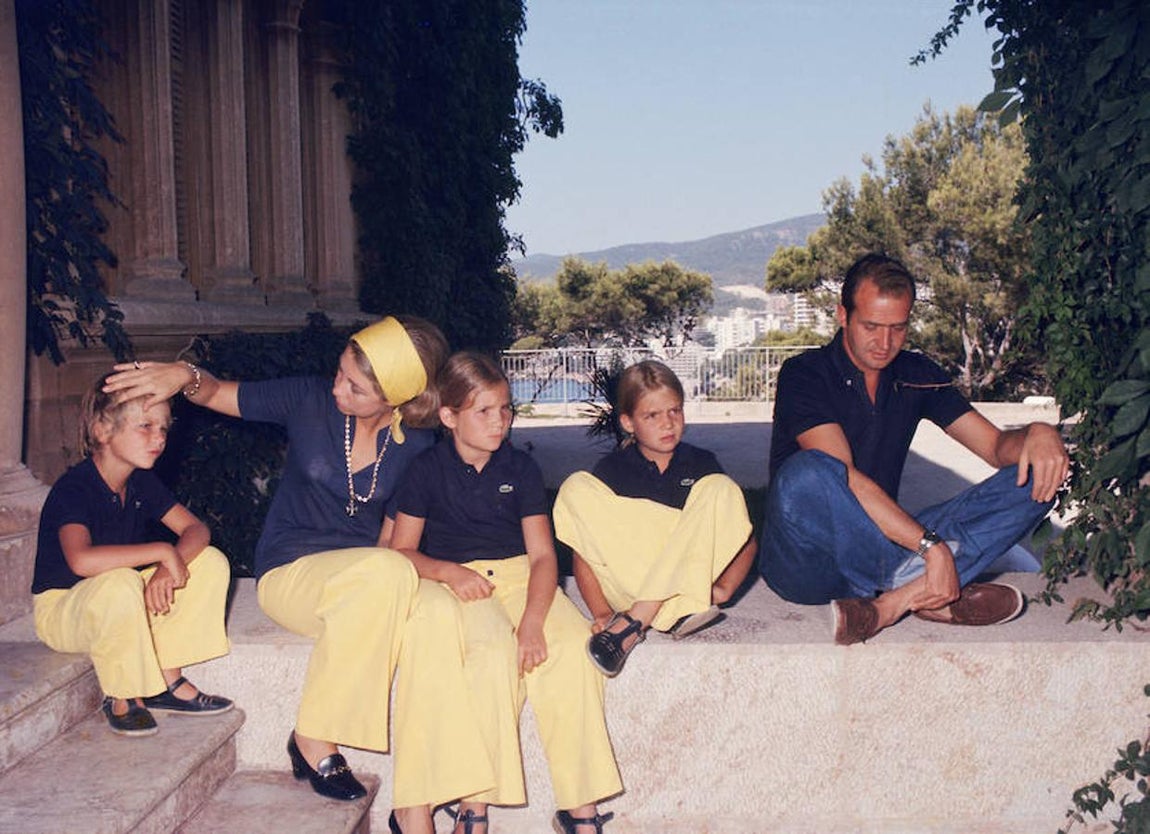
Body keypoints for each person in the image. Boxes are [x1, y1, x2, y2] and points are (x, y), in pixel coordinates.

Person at [103, 317, 494, 833]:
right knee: (386, 573)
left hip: (366, 587)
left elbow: (392, 543)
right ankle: (314, 735)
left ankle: (415, 806)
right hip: (292, 575)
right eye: (340, 372)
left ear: (394, 400)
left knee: (440, 612)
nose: (337, 387)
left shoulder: (416, 446)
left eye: (354, 386)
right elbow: (219, 393)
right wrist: (184, 376)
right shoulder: (309, 400)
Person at [760, 253, 1070, 645]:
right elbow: (841, 481)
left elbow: (994, 447)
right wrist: (932, 548)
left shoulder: (916, 374)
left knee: (1039, 476)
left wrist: (1039, 433)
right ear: (842, 315)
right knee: (806, 473)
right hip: (807, 563)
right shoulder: (804, 374)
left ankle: (892, 603)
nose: (885, 343)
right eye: (871, 326)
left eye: (898, 328)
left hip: (890, 543)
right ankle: (924, 592)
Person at [390, 352, 621, 834]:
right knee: (491, 656)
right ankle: (475, 805)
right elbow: (401, 552)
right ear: (449, 417)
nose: (500, 422)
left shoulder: (521, 468)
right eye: (485, 412)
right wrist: (447, 572)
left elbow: (542, 557)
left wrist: (534, 622)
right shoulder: (424, 470)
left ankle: (580, 808)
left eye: (506, 410)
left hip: (521, 578)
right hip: (461, 582)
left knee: (574, 655)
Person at [32, 374, 232, 737]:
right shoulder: (74, 488)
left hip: (115, 599)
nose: (159, 438)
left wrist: (165, 567)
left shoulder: (140, 481)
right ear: (103, 429)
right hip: (63, 611)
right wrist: (160, 551)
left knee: (210, 562)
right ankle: (124, 694)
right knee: (121, 580)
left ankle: (167, 681)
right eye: (145, 426)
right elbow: (81, 561)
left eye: (164, 428)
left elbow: (197, 530)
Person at [551, 359, 757, 677]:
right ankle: (670, 611)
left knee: (722, 489)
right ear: (628, 422)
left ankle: (638, 620)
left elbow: (744, 537)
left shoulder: (701, 463)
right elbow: (585, 552)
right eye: (652, 415)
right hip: (629, 585)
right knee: (575, 487)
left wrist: (724, 589)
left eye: (675, 411)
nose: (668, 423)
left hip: (682, 585)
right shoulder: (612, 470)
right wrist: (602, 612)